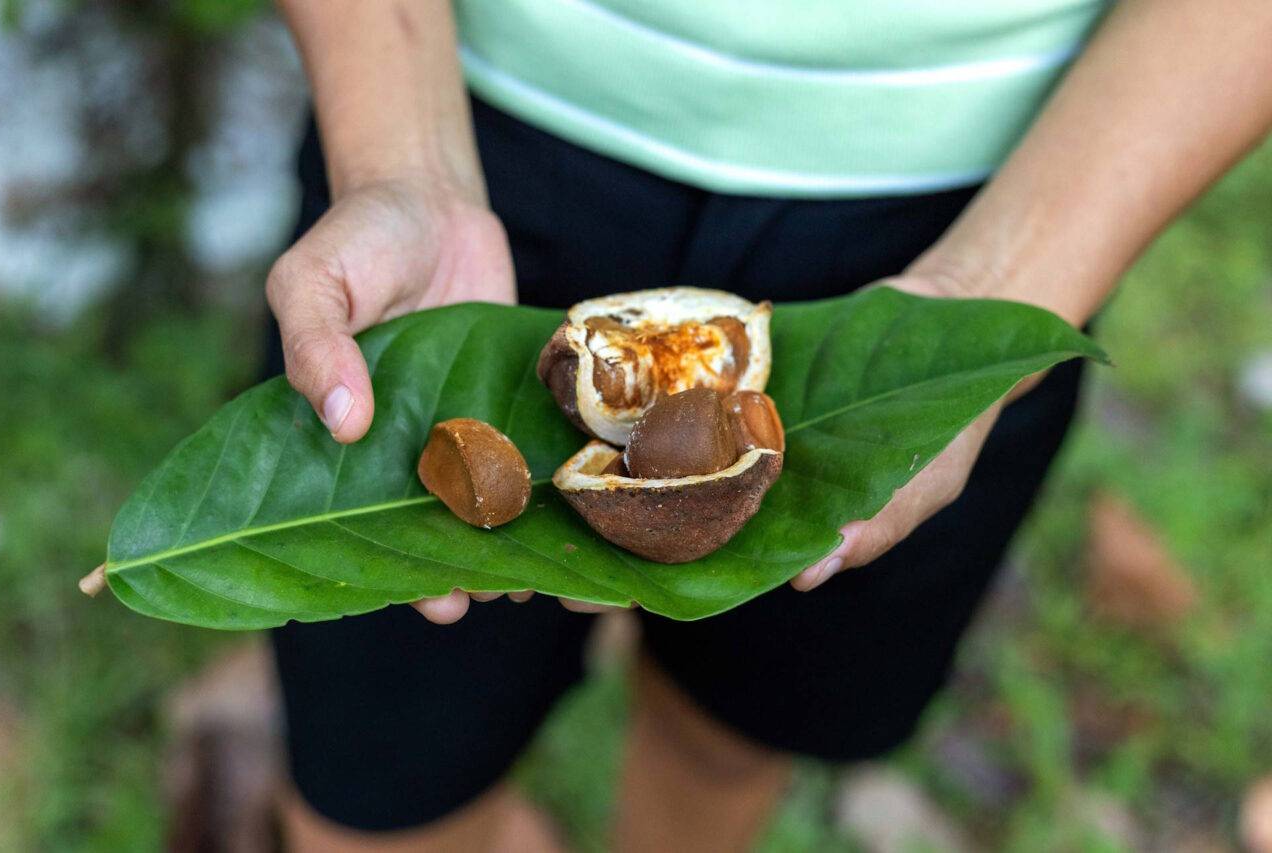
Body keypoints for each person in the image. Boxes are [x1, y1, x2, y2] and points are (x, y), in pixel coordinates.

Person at [263, 1, 1272, 849]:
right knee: (376, 784)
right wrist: (400, 162)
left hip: (994, 195)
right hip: (468, 119)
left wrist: (997, 288)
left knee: (732, 736)